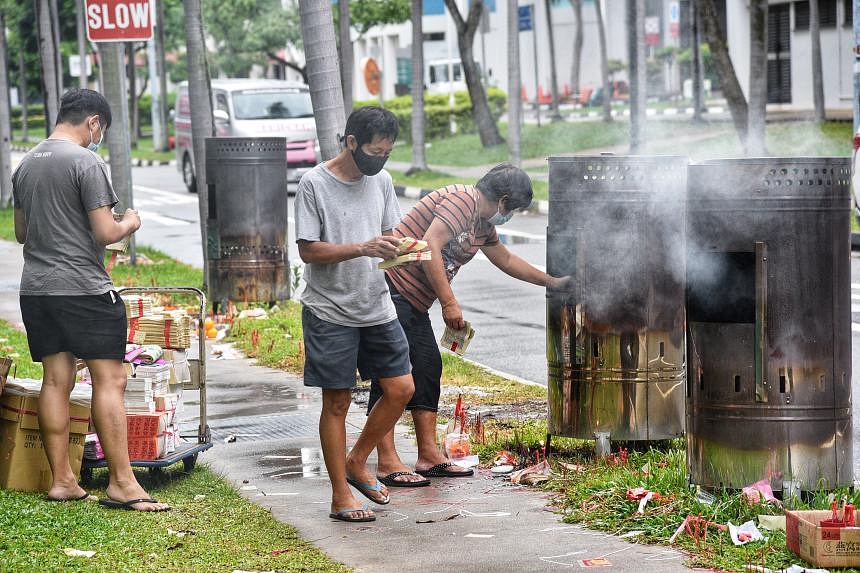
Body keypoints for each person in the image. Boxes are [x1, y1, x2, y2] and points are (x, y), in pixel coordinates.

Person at [12, 89, 168, 511]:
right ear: (94, 122)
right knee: (111, 379)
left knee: (56, 380)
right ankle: (122, 483)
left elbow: (22, 233)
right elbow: (106, 232)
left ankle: (63, 480)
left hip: (38, 290)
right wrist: (130, 221)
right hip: (82, 288)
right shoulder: (86, 162)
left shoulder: (25, 164)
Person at [368, 164, 570, 485]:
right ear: (502, 201)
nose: (510, 216)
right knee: (393, 373)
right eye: (513, 210)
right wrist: (449, 302)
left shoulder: (481, 225)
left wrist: (552, 282)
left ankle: (428, 455)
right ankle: (387, 461)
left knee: (427, 367)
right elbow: (431, 245)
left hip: (412, 302)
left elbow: (506, 260)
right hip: (390, 289)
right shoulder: (463, 200)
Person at [295, 106, 415, 523]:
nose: (379, 160)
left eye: (386, 152)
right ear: (350, 142)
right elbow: (308, 250)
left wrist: (403, 251)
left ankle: (357, 458)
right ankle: (340, 494)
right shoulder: (314, 183)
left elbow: (388, 237)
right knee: (338, 401)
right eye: (373, 151)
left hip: (377, 304)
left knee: (401, 388)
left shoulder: (381, 180)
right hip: (330, 310)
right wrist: (363, 247)